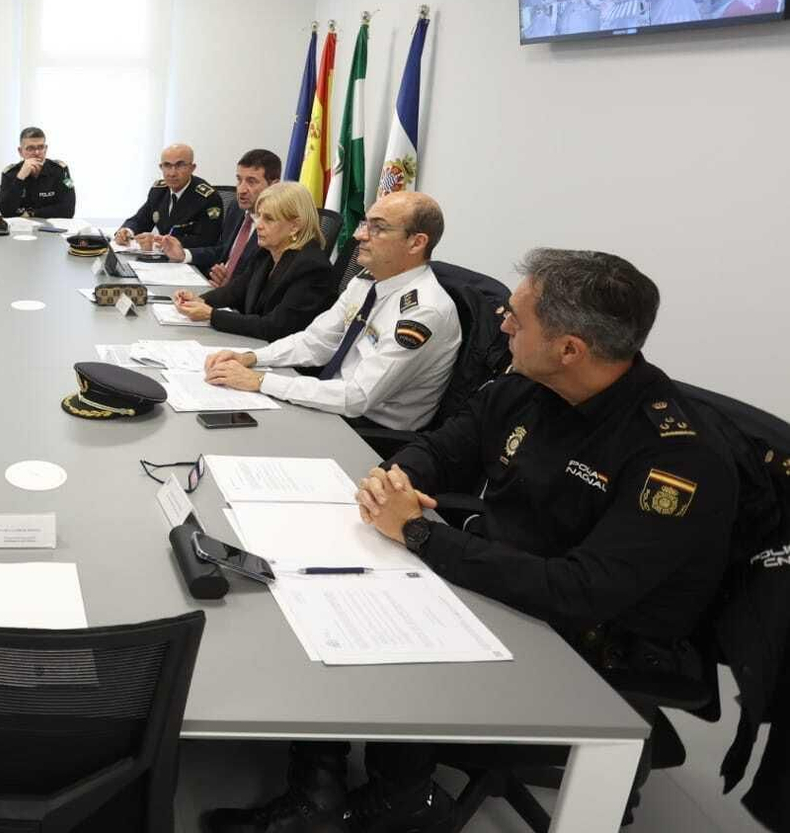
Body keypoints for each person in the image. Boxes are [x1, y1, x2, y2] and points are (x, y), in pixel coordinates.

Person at [207, 250, 737, 833]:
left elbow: (583, 590)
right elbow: (443, 446)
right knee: (321, 577)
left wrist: (416, 534)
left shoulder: (676, 455)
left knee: (370, 622)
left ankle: (401, 797)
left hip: (590, 635)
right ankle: (320, 787)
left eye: (518, 316)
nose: (502, 322)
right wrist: (396, 480)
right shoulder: (530, 386)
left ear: (570, 350)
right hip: (501, 570)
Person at [202, 191, 459, 431]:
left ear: (416, 243)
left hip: (368, 431)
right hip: (332, 403)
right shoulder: (366, 281)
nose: (360, 236)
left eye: (377, 228)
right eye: (364, 224)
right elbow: (315, 341)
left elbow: (357, 397)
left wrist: (259, 381)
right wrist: (251, 358)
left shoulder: (423, 312)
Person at [170, 181, 333, 342]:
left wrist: (211, 315)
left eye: (269, 219)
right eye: (259, 216)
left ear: (295, 226)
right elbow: (235, 291)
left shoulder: (312, 268)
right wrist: (200, 300)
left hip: (289, 362)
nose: (259, 225)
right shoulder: (267, 252)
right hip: (257, 344)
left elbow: (276, 328)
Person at [159, 148, 281, 284]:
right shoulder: (236, 208)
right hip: (218, 287)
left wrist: (229, 287)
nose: (241, 189)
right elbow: (223, 250)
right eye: (239, 180)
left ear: (273, 186)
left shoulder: (279, 226)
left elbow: (265, 282)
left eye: (251, 182)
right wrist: (184, 255)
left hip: (239, 298)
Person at [114, 143, 223, 250]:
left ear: (192, 168)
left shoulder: (208, 198)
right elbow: (140, 220)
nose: (172, 173)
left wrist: (159, 242)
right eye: (167, 165)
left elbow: (207, 240)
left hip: (190, 262)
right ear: (161, 167)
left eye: (180, 165)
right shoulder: (158, 191)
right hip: (163, 259)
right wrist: (127, 231)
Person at [0, 126, 75, 219]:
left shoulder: (60, 170)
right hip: (20, 230)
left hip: (53, 229)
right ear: (20, 151)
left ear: (46, 149)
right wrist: (20, 178)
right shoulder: (9, 174)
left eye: (41, 147)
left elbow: (68, 210)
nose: (37, 152)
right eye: (30, 148)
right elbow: (6, 211)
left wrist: (32, 213)